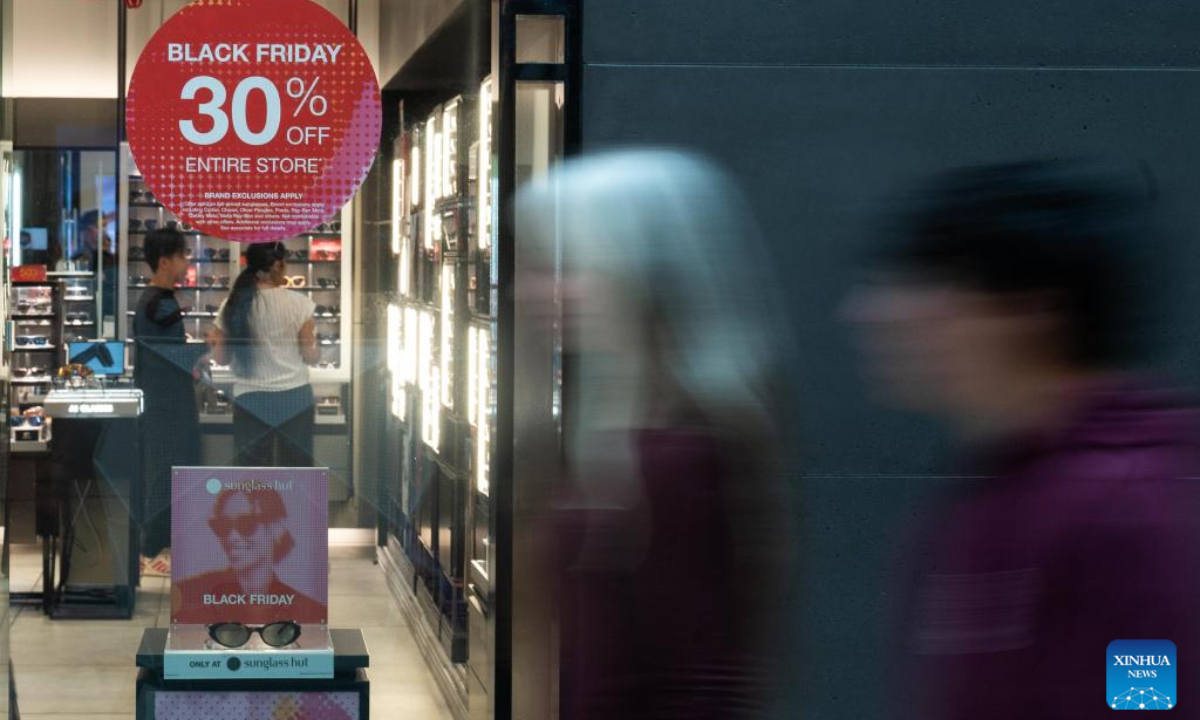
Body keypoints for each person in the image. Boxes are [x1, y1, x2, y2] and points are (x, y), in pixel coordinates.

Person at [843, 159, 1200, 719]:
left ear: (1032, 307)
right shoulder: (993, 491)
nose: (875, 313)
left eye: (929, 285)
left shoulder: (1123, 505)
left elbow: (1146, 705)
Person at [517, 150, 796, 720]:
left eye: (568, 265)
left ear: (641, 268)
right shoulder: (622, 429)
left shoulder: (680, 455)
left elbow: (701, 679)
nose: (535, 290)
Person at [208, 242, 319, 467]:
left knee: (252, 476)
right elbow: (310, 356)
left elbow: (221, 358)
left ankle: (258, 505)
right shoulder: (300, 304)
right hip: (295, 397)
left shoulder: (232, 304)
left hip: (250, 399)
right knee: (297, 473)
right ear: (277, 265)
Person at [133, 228, 201, 575]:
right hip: (167, 405)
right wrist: (197, 358)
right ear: (164, 261)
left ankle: (159, 547)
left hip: (162, 402)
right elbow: (170, 356)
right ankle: (152, 550)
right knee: (167, 475)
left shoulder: (152, 300)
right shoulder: (161, 302)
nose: (186, 261)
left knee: (168, 473)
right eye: (182, 255)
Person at [171, 487, 325, 624]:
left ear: (276, 526)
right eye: (223, 526)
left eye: (246, 524)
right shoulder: (186, 595)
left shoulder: (311, 612)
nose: (232, 537)